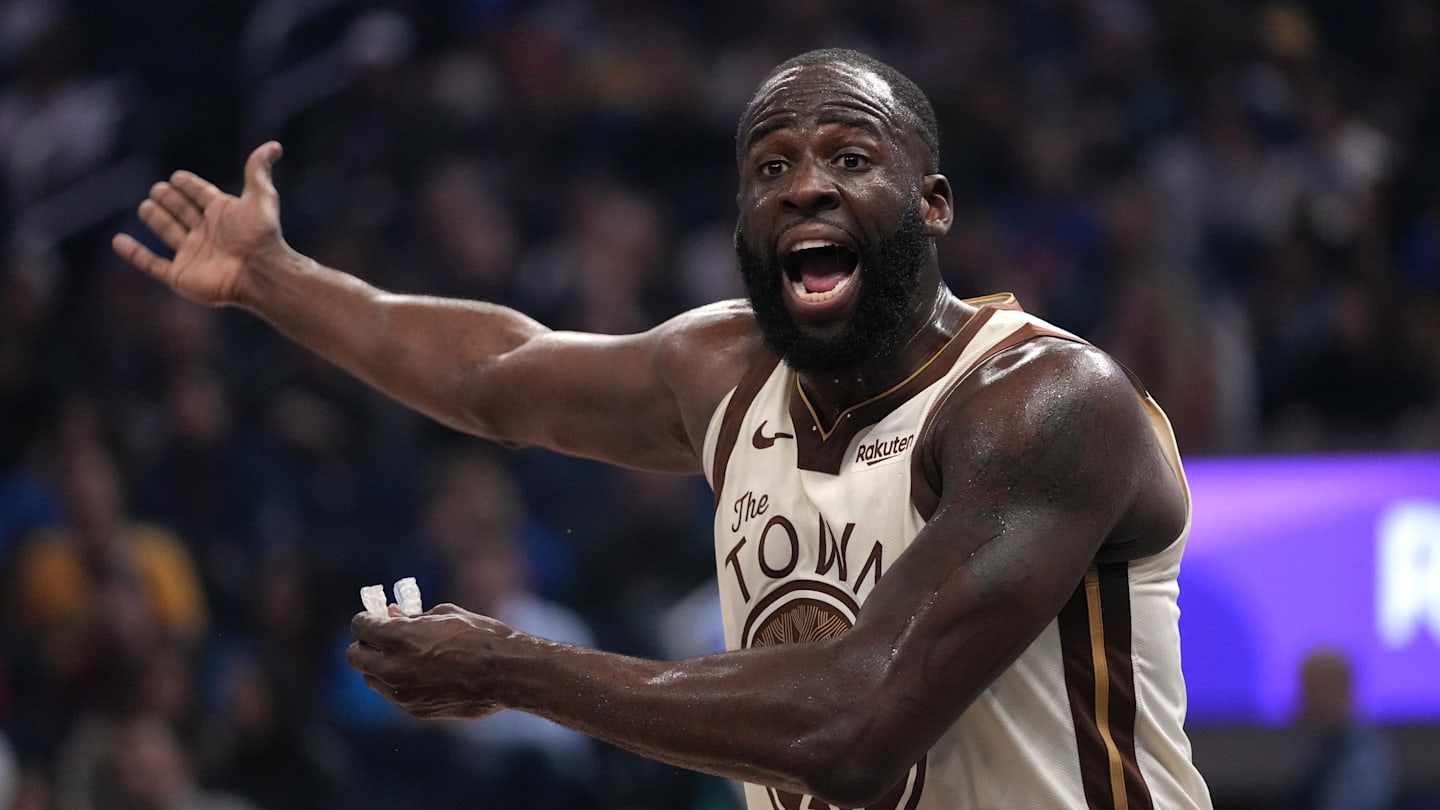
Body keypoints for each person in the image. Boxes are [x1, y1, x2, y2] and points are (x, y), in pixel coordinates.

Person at [113, 48, 1213, 809]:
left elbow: (856, 728)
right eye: (771, 168)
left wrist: (510, 669)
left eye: (849, 157)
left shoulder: (1045, 403)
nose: (804, 187)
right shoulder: (723, 369)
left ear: (932, 203)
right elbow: (497, 369)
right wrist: (271, 278)